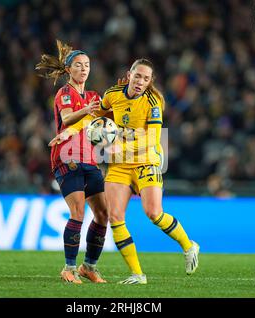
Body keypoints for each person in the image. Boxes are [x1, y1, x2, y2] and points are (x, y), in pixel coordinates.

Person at [50, 58, 199, 284]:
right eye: (137, 76)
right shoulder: (113, 94)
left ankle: (189, 246)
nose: (140, 82)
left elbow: (153, 139)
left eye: (146, 79)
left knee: (154, 213)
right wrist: (69, 133)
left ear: (150, 82)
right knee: (115, 217)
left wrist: (122, 146)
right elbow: (94, 116)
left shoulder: (154, 101)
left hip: (145, 161)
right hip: (119, 164)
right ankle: (137, 274)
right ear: (129, 75)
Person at [35, 40, 109, 284]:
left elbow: (97, 126)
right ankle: (68, 268)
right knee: (78, 211)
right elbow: (67, 119)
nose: (84, 69)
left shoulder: (93, 96)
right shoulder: (64, 93)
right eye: (78, 65)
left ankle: (89, 266)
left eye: (87, 65)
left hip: (89, 160)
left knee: (102, 214)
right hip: (67, 158)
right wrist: (87, 111)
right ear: (69, 70)